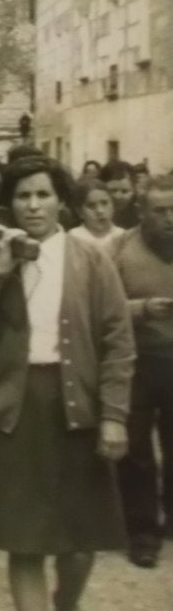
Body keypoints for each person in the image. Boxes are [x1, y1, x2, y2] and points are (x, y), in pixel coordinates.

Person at [0, 156, 134, 611]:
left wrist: (113, 415)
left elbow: (117, 340)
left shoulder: (90, 259)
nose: (33, 206)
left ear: (60, 202)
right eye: (23, 196)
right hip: (14, 412)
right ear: (9, 204)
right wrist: (0, 271)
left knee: (82, 542)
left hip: (76, 410)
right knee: (25, 543)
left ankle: (66, 609)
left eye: (43, 194)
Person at [114, 174, 173, 568]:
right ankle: (142, 531)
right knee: (135, 450)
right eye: (161, 210)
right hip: (137, 362)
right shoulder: (120, 250)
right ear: (141, 211)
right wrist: (142, 309)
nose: (170, 218)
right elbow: (104, 309)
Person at [70, 178, 124, 253]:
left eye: (104, 203)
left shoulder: (122, 235)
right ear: (80, 212)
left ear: (113, 205)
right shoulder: (74, 237)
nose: (100, 211)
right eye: (91, 206)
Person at [99, 160, 139, 229]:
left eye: (125, 191)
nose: (118, 197)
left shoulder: (139, 218)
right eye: (113, 191)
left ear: (134, 190)